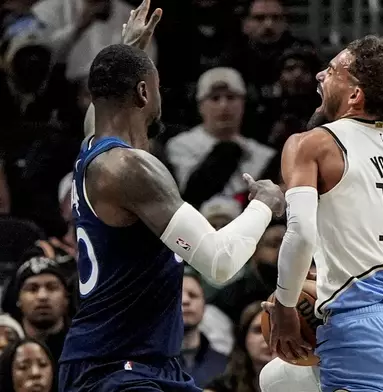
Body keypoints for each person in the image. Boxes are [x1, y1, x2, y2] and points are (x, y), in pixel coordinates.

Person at [58, 1, 285, 391]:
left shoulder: (92, 147)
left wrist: (131, 48)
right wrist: (265, 204)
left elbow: (101, 105)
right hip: (120, 369)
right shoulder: (130, 169)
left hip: (127, 360)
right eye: (157, 86)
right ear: (145, 92)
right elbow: (219, 261)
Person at [261, 35, 383, 392]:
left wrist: (285, 305)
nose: (320, 75)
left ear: (355, 95)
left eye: (333, 70)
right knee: (276, 380)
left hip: (360, 327)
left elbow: (302, 232)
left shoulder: (312, 143)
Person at [205, 302, 277, 392]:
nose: (268, 338)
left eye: (276, 330)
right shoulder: (221, 387)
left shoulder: (298, 380)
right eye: (259, 330)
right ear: (243, 338)